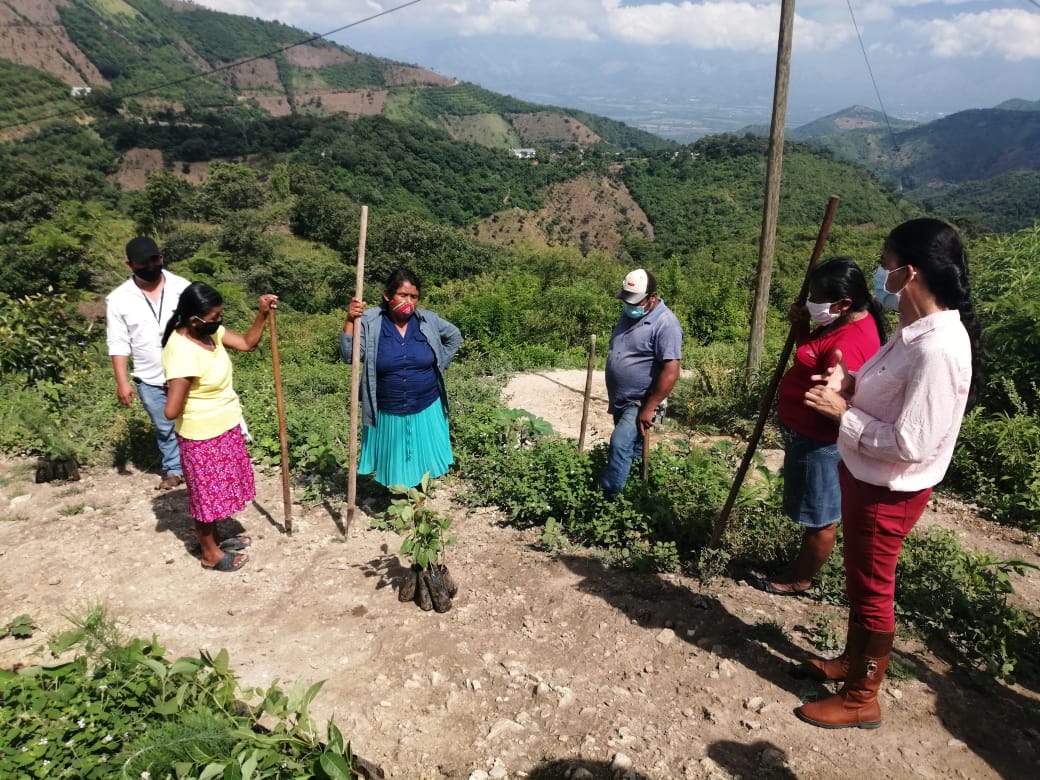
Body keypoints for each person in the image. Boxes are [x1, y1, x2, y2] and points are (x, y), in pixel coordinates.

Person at [795, 218, 981, 729]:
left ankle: (861, 695)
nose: (881, 272)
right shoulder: (912, 331)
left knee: (873, 590)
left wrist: (842, 413)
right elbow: (887, 392)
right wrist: (850, 383)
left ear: (909, 272)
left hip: (887, 490)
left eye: (886, 264)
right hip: (867, 476)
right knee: (860, 583)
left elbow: (911, 441)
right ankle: (852, 664)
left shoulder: (938, 348)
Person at [760, 258, 886, 596]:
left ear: (843, 302)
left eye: (816, 297)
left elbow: (847, 402)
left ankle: (799, 579)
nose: (810, 301)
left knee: (820, 516)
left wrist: (833, 407)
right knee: (813, 509)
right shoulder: (840, 323)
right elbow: (811, 356)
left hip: (820, 444)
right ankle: (798, 568)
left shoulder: (852, 345)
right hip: (806, 437)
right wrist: (803, 328)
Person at [161, 283, 279, 572]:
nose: (218, 321)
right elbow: (171, 410)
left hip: (224, 424)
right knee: (206, 495)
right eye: (213, 317)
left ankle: (216, 539)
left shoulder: (210, 332)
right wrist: (177, 387)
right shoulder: (181, 351)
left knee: (219, 491)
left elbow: (247, 344)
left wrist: (261, 314)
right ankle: (209, 553)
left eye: (218, 315)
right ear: (193, 319)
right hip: (201, 434)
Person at [340, 268, 462, 490]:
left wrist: (440, 365)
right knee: (395, 459)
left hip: (427, 402)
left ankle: (418, 498)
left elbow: (454, 336)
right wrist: (350, 319)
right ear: (388, 296)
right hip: (388, 406)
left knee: (423, 453)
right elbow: (349, 356)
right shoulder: (369, 321)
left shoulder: (428, 320)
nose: (408, 301)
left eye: (413, 296)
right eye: (403, 295)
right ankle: (398, 501)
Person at [106, 237, 191, 490]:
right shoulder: (119, 299)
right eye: (143, 263)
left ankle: (197, 464)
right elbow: (118, 343)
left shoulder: (181, 287)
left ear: (161, 258)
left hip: (186, 371)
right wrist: (122, 382)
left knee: (192, 419)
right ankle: (174, 469)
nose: (151, 265)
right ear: (130, 265)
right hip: (149, 376)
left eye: (155, 260)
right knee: (165, 426)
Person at [600, 268, 683, 496]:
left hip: (640, 401)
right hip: (622, 398)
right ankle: (635, 493)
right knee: (633, 449)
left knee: (619, 444)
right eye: (627, 300)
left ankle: (608, 499)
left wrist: (649, 407)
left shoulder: (666, 324)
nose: (629, 306)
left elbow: (671, 371)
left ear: (652, 297)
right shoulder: (629, 314)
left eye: (635, 301)